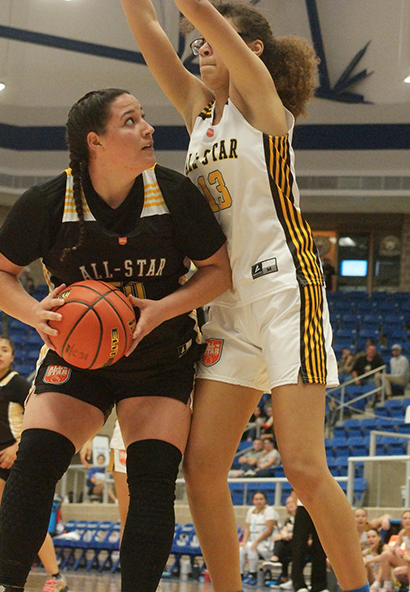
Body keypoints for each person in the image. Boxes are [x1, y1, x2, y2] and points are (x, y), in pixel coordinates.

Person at [119, 2, 369, 592]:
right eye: (196, 44)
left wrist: (199, 14)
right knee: (202, 466)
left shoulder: (263, 105)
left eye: (209, 41)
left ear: (248, 49)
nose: (198, 49)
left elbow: (201, 18)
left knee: (304, 468)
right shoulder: (199, 115)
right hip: (227, 308)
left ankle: (361, 588)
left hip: (287, 290)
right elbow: (149, 31)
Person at [0, 88, 231, 592]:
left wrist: (163, 308)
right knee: (34, 465)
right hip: (79, 358)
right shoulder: (50, 201)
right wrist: (34, 313)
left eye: (144, 118)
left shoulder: (175, 193)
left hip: (160, 355)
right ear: (95, 141)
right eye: (131, 120)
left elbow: (218, 271)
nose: (148, 128)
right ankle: (8, 586)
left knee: (152, 482)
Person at [0, 335, 68, 592]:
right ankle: (6, 575)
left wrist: (16, 446)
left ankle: (56, 577)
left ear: (12, 357)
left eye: (5, 349)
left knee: (28, 520)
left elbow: (36, 414)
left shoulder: (18, 384)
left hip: (22, 456)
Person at [281, 498, 327, 592]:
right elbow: (294, 490)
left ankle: (320, 586)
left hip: (322, 505)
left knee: (320, 546)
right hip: (303, 505)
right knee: (299, 546)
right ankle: (298, 584)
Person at [239, 490, 278, 586]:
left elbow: (268, 530)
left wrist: (256, 542)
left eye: (261, 499)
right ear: (253, 501)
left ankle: (253, 574)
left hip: (265, 542)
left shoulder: (270, 511)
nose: (258, 501)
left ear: (265, 500)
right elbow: (247, 528)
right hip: (253, 540)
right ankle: (240, 574)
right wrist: (244, 540)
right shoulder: (251, 510)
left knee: (251, 548)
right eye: (256, 499)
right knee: (241, 549)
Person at [266, 495, 297, 586]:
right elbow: (284, 531)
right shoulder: (288, 520)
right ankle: (284, 578)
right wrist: (282, 535)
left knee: (282, 544)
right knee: (279, 540)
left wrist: (288, 535)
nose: (290, 505)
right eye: (287, 503)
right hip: (289, 543)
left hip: (301, 543)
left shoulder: (303, 518)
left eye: (292, 502)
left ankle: (275, 558)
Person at [375, 510, 410, 592]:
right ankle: (387, 586)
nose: (408, 520)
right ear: (402, 522)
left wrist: (405, 555)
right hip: (407, 562)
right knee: (385, 555)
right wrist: (397, 548)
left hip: (408, 561)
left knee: (406, 563)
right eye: (405, 518)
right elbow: (394, 547)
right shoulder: (403, 533)